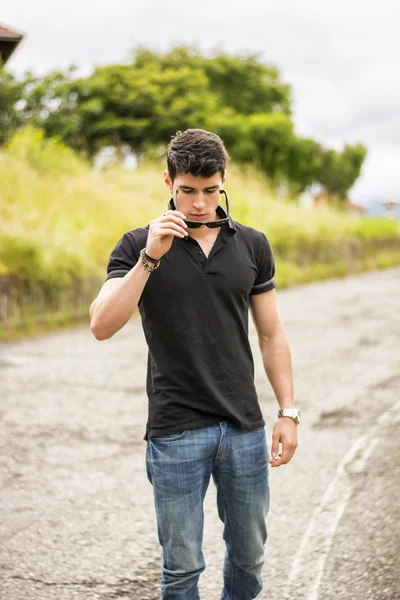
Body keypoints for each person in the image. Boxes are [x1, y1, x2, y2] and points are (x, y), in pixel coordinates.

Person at [90, 128, 300, 600]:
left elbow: (271, 332)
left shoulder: (252, 244)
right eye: (187, 191)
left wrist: (288, 411)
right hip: (175, 429)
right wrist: (150, 258)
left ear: (223, 181)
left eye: (210, 191)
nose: (199, 204)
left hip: (244, 426)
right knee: (181, 569)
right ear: (168, 182)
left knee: (249, 558)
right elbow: (101, 325)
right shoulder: (136, 244)